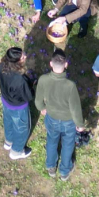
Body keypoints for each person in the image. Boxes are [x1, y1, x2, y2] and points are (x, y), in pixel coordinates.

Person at [35, 50, 86, 180]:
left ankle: (51, 167)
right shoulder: (70, 86)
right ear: (66, 65)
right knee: (68, 144)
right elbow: (75, 108)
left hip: (51, 117)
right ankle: (64, 171)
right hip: (68, 121)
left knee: (52, 140)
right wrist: (80, 125)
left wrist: (42, 108)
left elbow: (38, 100)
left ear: (51, 64)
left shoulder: (43, 80)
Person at [0, 47, 35, 159]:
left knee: (8, 121)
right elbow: (28, 96)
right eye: (23, 57)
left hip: (5, 101)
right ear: (17, 62)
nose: (25, 57)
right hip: (18, 108)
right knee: (22, 130)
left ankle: (8, 142)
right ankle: (16, 151)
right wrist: (31, 86)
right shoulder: (19, 79)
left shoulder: (1, 66)